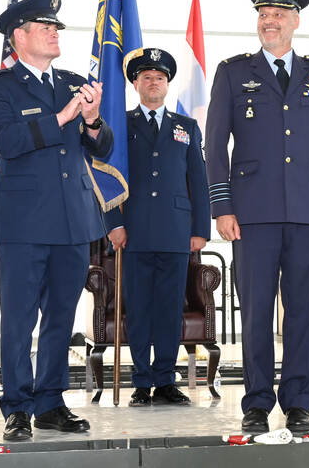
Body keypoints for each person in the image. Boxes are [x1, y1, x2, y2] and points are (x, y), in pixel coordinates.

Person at [205, 0, 309, 435]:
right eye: (263, 15)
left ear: (295, 20)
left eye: (279, 14)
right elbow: (214, 144)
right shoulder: (233, 72)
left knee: (303, 310)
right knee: (258, 310)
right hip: (252, 212)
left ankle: (300, 400)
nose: (270, 21)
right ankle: (256, 401)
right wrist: (222, 206)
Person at [0, 0, 114, 441]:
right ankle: (16, 406)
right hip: (24, 223)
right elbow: (7, 140)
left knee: (61, 317)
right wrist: (64, 116)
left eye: (56, 26)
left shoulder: (74, 83)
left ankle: (50, 402)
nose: (55, 32)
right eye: (45, 27)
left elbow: (103, 147)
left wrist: (92, 120)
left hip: (74, 220)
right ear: (19, 37)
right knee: (19, 319)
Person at [103, 47, 210, 407]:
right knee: (139, 308)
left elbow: (198, 179)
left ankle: (165, 379)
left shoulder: (187, 128)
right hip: (132, 230)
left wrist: (200, 230)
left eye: (160, 77)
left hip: (175, 230)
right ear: (135, 83)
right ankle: (141, 380)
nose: (154, 82)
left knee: (168, 308)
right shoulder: (120, 125)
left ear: (168, 84)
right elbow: (108, 178)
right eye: (146, 77)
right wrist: (113, 222)